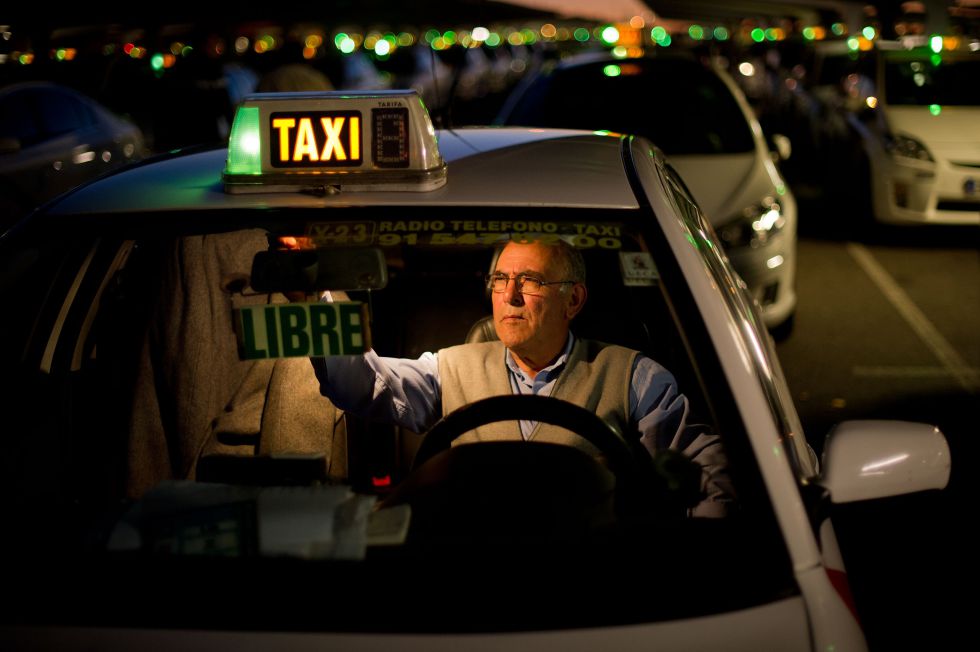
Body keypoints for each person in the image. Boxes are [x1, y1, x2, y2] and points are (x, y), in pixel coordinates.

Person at [311, 238, 733, 516]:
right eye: (500, 280)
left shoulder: (634, 376)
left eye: (529, 281)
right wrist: (315, 294)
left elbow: (709, 469)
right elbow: (365, 383)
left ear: (574, 300)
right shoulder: (452, 367)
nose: (509, 296)